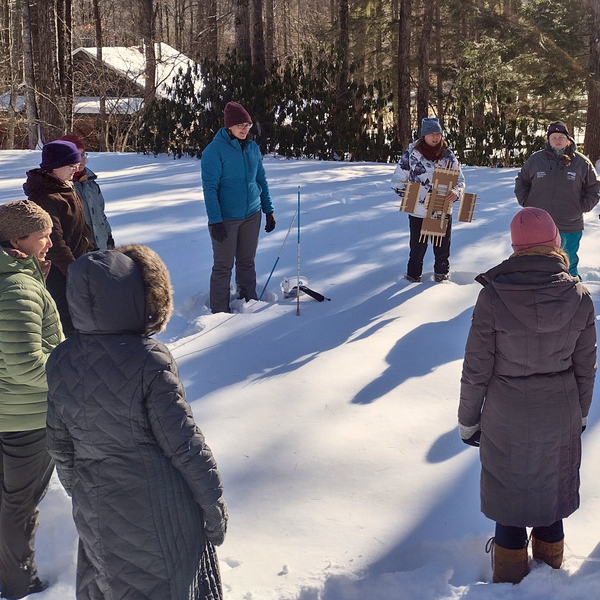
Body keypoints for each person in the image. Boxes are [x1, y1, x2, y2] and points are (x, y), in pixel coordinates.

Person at [45, 244, 228, 600]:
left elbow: (59, 446)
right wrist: (213, 506)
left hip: (96, 510)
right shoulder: (148, 360)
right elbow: (185, 445)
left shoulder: (62, 359)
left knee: (107, 585)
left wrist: (84, 492)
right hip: (159, 512)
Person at [458, 207, 596, 584]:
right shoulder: (580, 297)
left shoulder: (493, 297)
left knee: (509, 496)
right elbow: (586, 367)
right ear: (555, 243)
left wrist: (469, 420)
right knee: (552, 494)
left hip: (507, 412)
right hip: (560, 408)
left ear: (517, 248)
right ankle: (550, 578)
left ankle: (508, 578)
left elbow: (476, 369)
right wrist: (581, 413)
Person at [0, 200, 64, 599]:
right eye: (43, 235)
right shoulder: (16, 286)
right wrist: (69, 374)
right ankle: (18, 584)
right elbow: (26, 365)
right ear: (16, 239)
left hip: (11, 410)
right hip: (25, 417)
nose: (50, 241)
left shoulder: (17, 275)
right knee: (18, 506)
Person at [201, 101, 276, 313]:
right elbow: (210, 189)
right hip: (226, 218)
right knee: (223, 267)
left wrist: (268, 210)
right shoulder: (214, 152)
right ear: (229, 127)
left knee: (246, 262)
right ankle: (219, 311)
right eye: (240, 125)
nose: (245, 129)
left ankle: (248, 303)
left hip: (252, 214)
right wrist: (215, 221)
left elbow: (261, 179)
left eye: (248, 125)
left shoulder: (252, 148)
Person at [23, 140, 94, 336]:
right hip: (59, 272)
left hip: (76, 266)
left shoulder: (66, 189)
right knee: (66, 321)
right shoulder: (47, 198)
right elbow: (54, 243)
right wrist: (73, 270)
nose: (76, 168)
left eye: (77, 163)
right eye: (71, 165)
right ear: (55, 166)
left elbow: (81, 228)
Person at [514, 121, 600, 279]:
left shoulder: (581, 163)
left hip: (569, 224)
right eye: (554, 137)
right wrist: (527, 203)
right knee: (537, 262)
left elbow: (595, 187)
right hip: (538, 225)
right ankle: (537, 293)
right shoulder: (535, 160)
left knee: (569, 262)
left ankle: (573, 293)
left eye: (561, 137)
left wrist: (581, 207)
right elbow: (521, 182)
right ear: (548, 140)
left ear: (568, 139)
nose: (558, 140)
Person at [391, 117, 465, 283]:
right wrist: (407, 193)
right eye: (431, 133)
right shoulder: (411, 155)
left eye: (438, 133)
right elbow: (397, 180)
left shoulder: (449, 156)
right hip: (418, 210)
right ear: (424, 135)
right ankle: (412, 277)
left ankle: (442, 276)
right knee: (417, 249)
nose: (435, 136)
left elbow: (460, 180)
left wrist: (456, 191)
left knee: (442, 248)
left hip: (441, 208)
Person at [59, 134, 115, 250]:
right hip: (79, 253)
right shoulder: (61, 188)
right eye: (76, 155)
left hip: (101, 248)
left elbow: (101, 216)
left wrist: (108, 238)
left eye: (83, 155)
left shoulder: (91, 184)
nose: (81, 160)